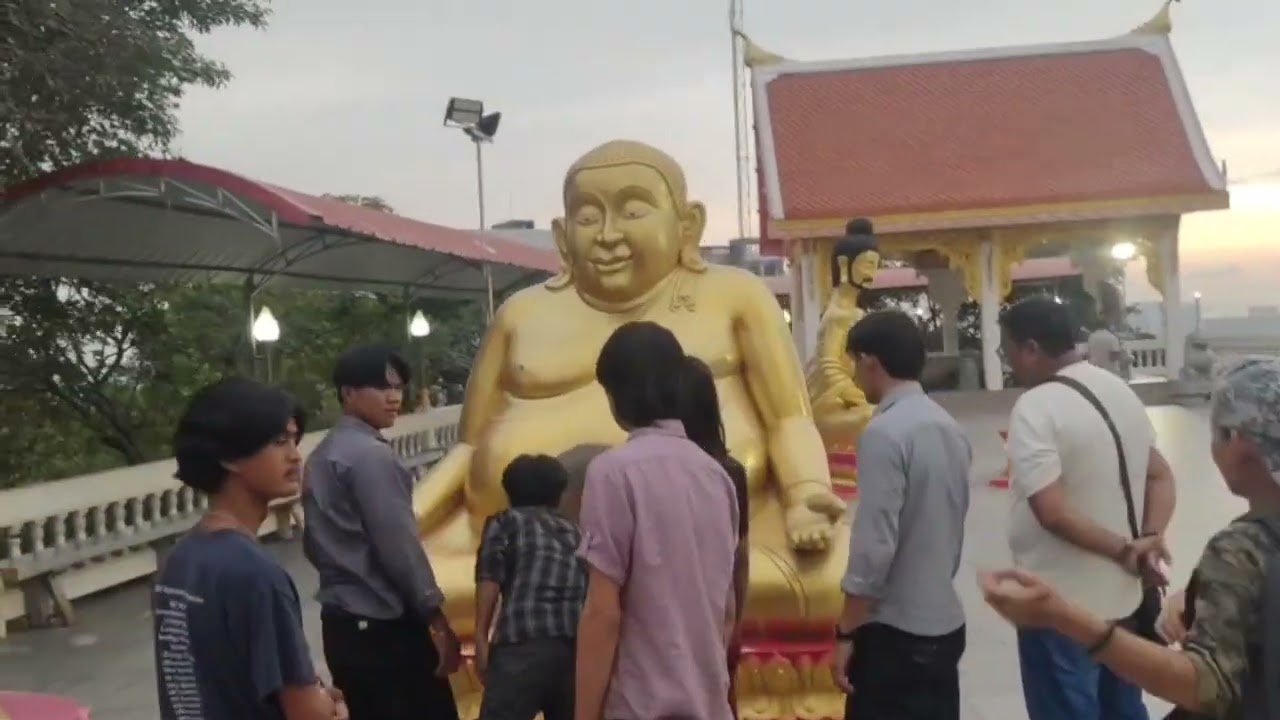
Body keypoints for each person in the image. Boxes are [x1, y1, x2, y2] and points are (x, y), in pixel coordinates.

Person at [983, 356, 1280, 720]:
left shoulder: (1243, 549)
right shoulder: (1116, 391)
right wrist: (1198, 599)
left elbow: (1207, 688)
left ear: (1239, 445)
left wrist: (1063, 617)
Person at [999, 297, 1177, 720]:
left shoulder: (1035, 406)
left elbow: (1052, 512)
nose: (1007, 362)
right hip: (1125, 600)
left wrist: (1123, 549)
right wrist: (1149, 538)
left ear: (1030, 349)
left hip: (1062, 605)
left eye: (1005, 350)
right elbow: (1162, 476)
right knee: (1123, 708)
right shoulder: (1116, 388)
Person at [154, 378, 346, 720]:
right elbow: (307, 713)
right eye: (277, 442)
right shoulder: (256, 574)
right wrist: (333, 708)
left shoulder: (179, 560)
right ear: (230, 456)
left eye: (294, 439)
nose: (294, 456)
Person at [576, 321, 738, 720]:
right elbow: (727, 607)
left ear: (617, 395)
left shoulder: (611, 472)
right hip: (707, 701)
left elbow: (603, 611)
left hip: (640, 704)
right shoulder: (715, 473)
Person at [301, 344, 460, 720]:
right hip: (384, 629)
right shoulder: (370, 456)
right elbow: (399, 547)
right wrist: (435, 615)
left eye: (398, 387)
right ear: (348, 392)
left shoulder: (324, 454)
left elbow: (313, 545)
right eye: (381, 387)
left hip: (342, 624)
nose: (393, 397)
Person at [827, 310, 971, 720]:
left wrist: (846, 630)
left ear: (871, 362)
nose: (855, 375)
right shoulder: (948, 427)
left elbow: (875, 547)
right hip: (943, 619)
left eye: (855, 363)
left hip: (896, 632)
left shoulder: (884, 434)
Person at [474, 454, 587, 720]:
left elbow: (489, 577)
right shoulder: (575, 531)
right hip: (574, 647)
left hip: (522, 643)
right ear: (559, 494)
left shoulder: (505, 522)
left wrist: (481, 637)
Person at [679, 355, 750, 718]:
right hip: (717, 610)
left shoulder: (648, 469)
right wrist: (737, 621)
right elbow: (740, 555)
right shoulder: (729, 471)